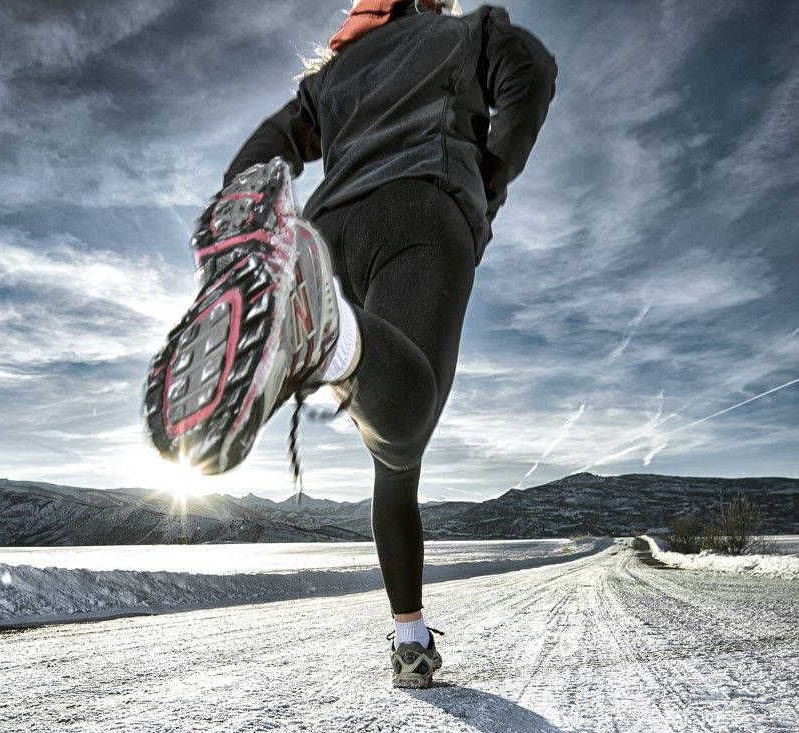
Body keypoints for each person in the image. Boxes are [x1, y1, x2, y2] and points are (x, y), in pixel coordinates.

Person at [143, 0, 556, 688]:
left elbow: (267, 144)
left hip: (329, 229)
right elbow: (531, 72)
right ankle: (325, 336)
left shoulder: (333, 74)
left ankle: (410, 642)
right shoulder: (464, 31)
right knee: (402, 441)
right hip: (423, 205)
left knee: (387, 451)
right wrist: (487, 177)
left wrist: (244, 214)